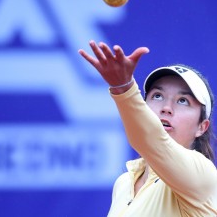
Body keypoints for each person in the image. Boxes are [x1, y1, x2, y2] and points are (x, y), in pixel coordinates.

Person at [78, 40, 217, 216]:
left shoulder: (202, 175)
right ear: (144, 106)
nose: (166, 107)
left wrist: (124, 89)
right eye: (158, 96)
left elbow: (151, 139)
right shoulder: (124, 183)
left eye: (183, 101)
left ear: (202, 127)